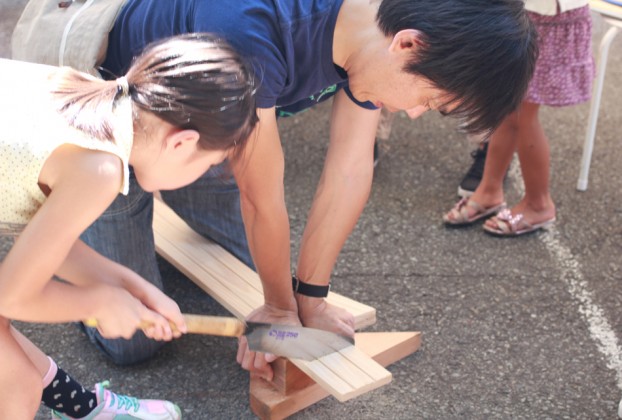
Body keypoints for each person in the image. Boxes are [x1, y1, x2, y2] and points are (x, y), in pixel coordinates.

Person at [66, 0, 538, 379]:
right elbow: (259, 193)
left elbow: (350, 169)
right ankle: (57, 225)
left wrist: (308, 297)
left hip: (207, 130)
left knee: (263, 278)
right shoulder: (249, 26)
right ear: (408, 45)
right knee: (134, 344)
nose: (415, 113)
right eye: (430, 100)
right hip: (116, 115)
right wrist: (277, 305)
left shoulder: (374, 40)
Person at [0, 33, 258, 419]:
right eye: (210, 162)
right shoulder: (100, 169)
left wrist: (132, 289)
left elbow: (47, 244)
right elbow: (12, 295)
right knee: (15, 384)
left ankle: (83, 409)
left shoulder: (88, 100)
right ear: (181, 143)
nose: (204, 172)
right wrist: (98, 301)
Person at [444, 0, 594, 235]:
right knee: (508, 107)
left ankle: (538, 204)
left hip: (548, 15)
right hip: (522, 10)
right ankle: (489, 190)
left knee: (523, 112)